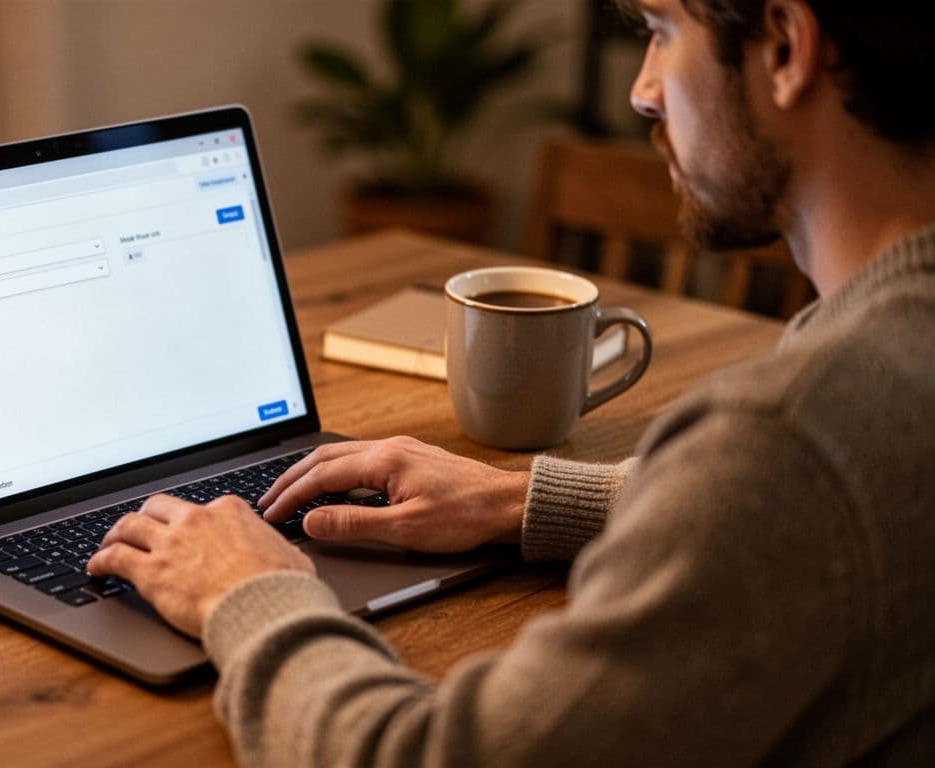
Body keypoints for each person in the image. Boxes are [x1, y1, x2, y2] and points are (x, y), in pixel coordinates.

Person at [89, 0, 935, 763]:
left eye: (662, 31)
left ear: (786, 46)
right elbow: (816, 510)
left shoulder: (788, 435)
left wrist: (250, 593)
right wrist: (516, 500)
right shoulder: (879, 359)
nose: (643, 91)